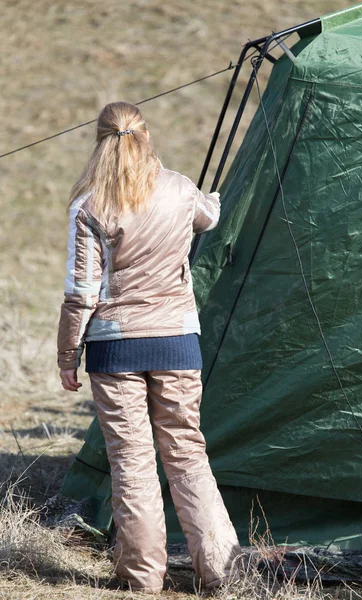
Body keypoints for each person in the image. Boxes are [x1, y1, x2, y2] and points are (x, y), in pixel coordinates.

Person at [57, 101, 241, 593]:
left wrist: (67, 356)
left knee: (132, 461)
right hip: (178, 340)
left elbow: (81, 293)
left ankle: (142, 578)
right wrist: (216, 196)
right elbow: (209, 216)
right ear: (145, 135)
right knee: (187, 455)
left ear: (100, 141)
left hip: (115, 348)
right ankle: (222, 571)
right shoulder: (181, 189)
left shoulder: (89, 204)